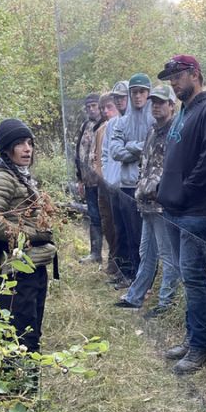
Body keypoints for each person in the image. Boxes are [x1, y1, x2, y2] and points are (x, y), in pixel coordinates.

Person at [156, 54, 206, 374]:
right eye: (170, 77)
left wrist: (183, 191)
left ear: (195, 74)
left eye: (177, 76)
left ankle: (200, 346)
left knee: (196, 277)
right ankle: (191, 337)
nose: (172, 83)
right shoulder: (185, 111)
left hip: (200, 211)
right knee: (188, 277)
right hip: (175, 209)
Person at [0, 118, 57, 357]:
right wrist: (35, 236)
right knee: (20, 336)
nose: (27, 149)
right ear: (6, 149)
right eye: (20, 144)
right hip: (16, 272)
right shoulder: (0, 177)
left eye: (30, 143)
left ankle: (26, 391)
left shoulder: (18, 174)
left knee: (31, 332)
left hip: (32, 265)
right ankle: (18, 391)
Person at [115, 84, 180, 316]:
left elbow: (175, 169)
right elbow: (145, 164)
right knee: (147, 252)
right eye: (154, 102)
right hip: (146, 202)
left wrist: (161, 191)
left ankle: (165, 304)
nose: (156, 106)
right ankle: (135, 297)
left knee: (167, 256)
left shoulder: (176, 131)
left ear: (172, 105)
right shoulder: (153, 130)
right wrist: (141, 190)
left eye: (161, 102)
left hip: (163, 205)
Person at [109, 73, 155, 284]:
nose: (138, 97)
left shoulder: (156, 119)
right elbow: (115, 151)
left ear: (148, 93)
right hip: (128, 185)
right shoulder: (122, 122)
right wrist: (141, 147)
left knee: (149, 239)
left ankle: (147, 281)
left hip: (151, 187)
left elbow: (155, 148)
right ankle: (133, 277)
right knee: (131, 235)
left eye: (142, 92)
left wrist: (131, 146)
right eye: (134, 92)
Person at [101, 81, 131, 284]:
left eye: (122, 97)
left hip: (129, 186)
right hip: (113, 186)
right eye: (116, 97)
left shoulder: (136, 121)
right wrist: (107, 176)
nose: (119, 101)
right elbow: (105, 154)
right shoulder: (111, 125)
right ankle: (122, 270)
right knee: (118, 229)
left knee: (132, 231)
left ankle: (132, 273)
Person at [92, 93, 120, 276]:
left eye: (109, 107)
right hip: (102, 185)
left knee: (120, 225)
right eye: (103, 109)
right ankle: (113, 258)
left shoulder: (123, 126)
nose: (106, 112)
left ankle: (120, 263)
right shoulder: (100, 130)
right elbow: (97, 157)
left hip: (118, 186)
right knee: (107, 223)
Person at [75, 92, 104, 264]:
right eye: (88, 107)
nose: (91, 109)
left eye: (94, 106)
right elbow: (78, 153)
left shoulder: (106, 124)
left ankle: (115, 258)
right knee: (93, 217)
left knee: (107, 218)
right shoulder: (85, 126)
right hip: (88, 182)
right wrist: (80, 178)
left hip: (104, 183)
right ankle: (95, 253)